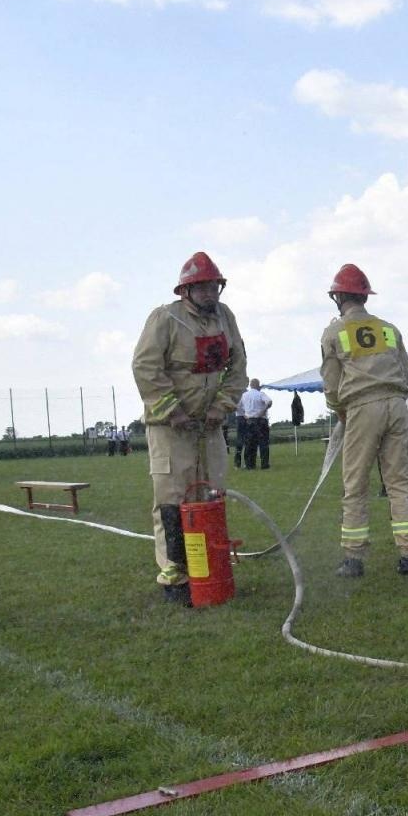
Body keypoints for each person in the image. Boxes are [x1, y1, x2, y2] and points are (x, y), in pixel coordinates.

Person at [131, 251, 246, 605]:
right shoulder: (164, 319)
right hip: (171, 429)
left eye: (215, 286)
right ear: (186, 290)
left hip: (208, 427)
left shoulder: (225, 318)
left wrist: (221, 407)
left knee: (210, 494)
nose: (211, 294)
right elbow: (145, 368)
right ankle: (174, 576)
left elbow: (238, 367)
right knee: (172, 498)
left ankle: (209, 567)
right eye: (204, 288)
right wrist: (172, 411)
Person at [318, 262, 408, 578]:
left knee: (355, 482)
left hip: (362, 407)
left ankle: (353, 557)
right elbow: (404, 369)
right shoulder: (389, 329)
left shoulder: (335, 331)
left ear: (338, 297)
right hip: (396, 403)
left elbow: (331, 381)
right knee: (399, 483)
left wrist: (339, 408)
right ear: (365, 296)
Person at [236, 377, 273, 470]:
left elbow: (237, 407)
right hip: (261, 420)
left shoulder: (244, 395)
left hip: (249, 421)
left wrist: (244, 414)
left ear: (250, 385)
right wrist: (263, 410)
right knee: (263, 443)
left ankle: (250, 465)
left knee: (250, 444)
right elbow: (269, 402)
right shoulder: (261, 394)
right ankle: (264, 464)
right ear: (258, 385)